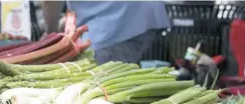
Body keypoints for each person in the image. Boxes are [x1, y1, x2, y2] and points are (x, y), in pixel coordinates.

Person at [41, 1, 169, 65]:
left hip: (117, 20)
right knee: (124, 76)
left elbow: (50, 2)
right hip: (146, 11)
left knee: (103, 84)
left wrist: (50, 35)